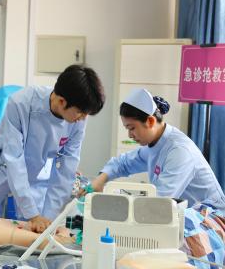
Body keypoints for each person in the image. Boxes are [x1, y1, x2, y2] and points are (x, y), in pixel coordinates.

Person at [0, 65, 105, 232]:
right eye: (80, 112)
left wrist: (48, 219)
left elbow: (66, 169)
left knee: (36, 227)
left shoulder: (77, 120)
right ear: (62, 101)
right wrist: (33, 215)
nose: (83, 118)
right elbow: (14, 158)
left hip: (33, 173)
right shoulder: (21, 103)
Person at [89, 88, 225, 209]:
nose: (130, 135)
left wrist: (114, 203)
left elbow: (160, 201)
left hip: (207, 220)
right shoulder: (155, 144)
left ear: (150, 121)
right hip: (182, 214)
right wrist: (100, 180)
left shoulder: (180, 151)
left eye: (132, 128)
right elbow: (123, 163)